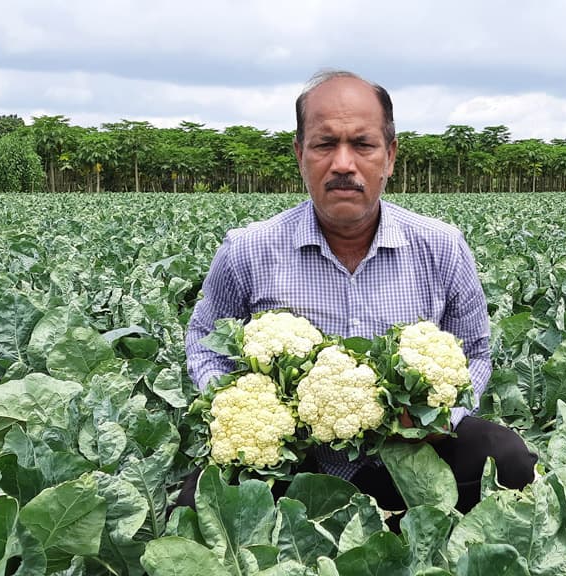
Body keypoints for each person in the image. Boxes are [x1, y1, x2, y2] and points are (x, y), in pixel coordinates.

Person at [181, 69, 535, 514]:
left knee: (509, 459)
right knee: (195, 507)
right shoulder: (247, 250)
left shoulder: (441, 246)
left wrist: (438, 417)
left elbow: (477, 353)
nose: (343, 164)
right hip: (295, 464)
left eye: (362, 145)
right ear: (300, 154)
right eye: (325, 144)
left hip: (411, 454)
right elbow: (204, 343)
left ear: (389, 156)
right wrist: (250, 408)